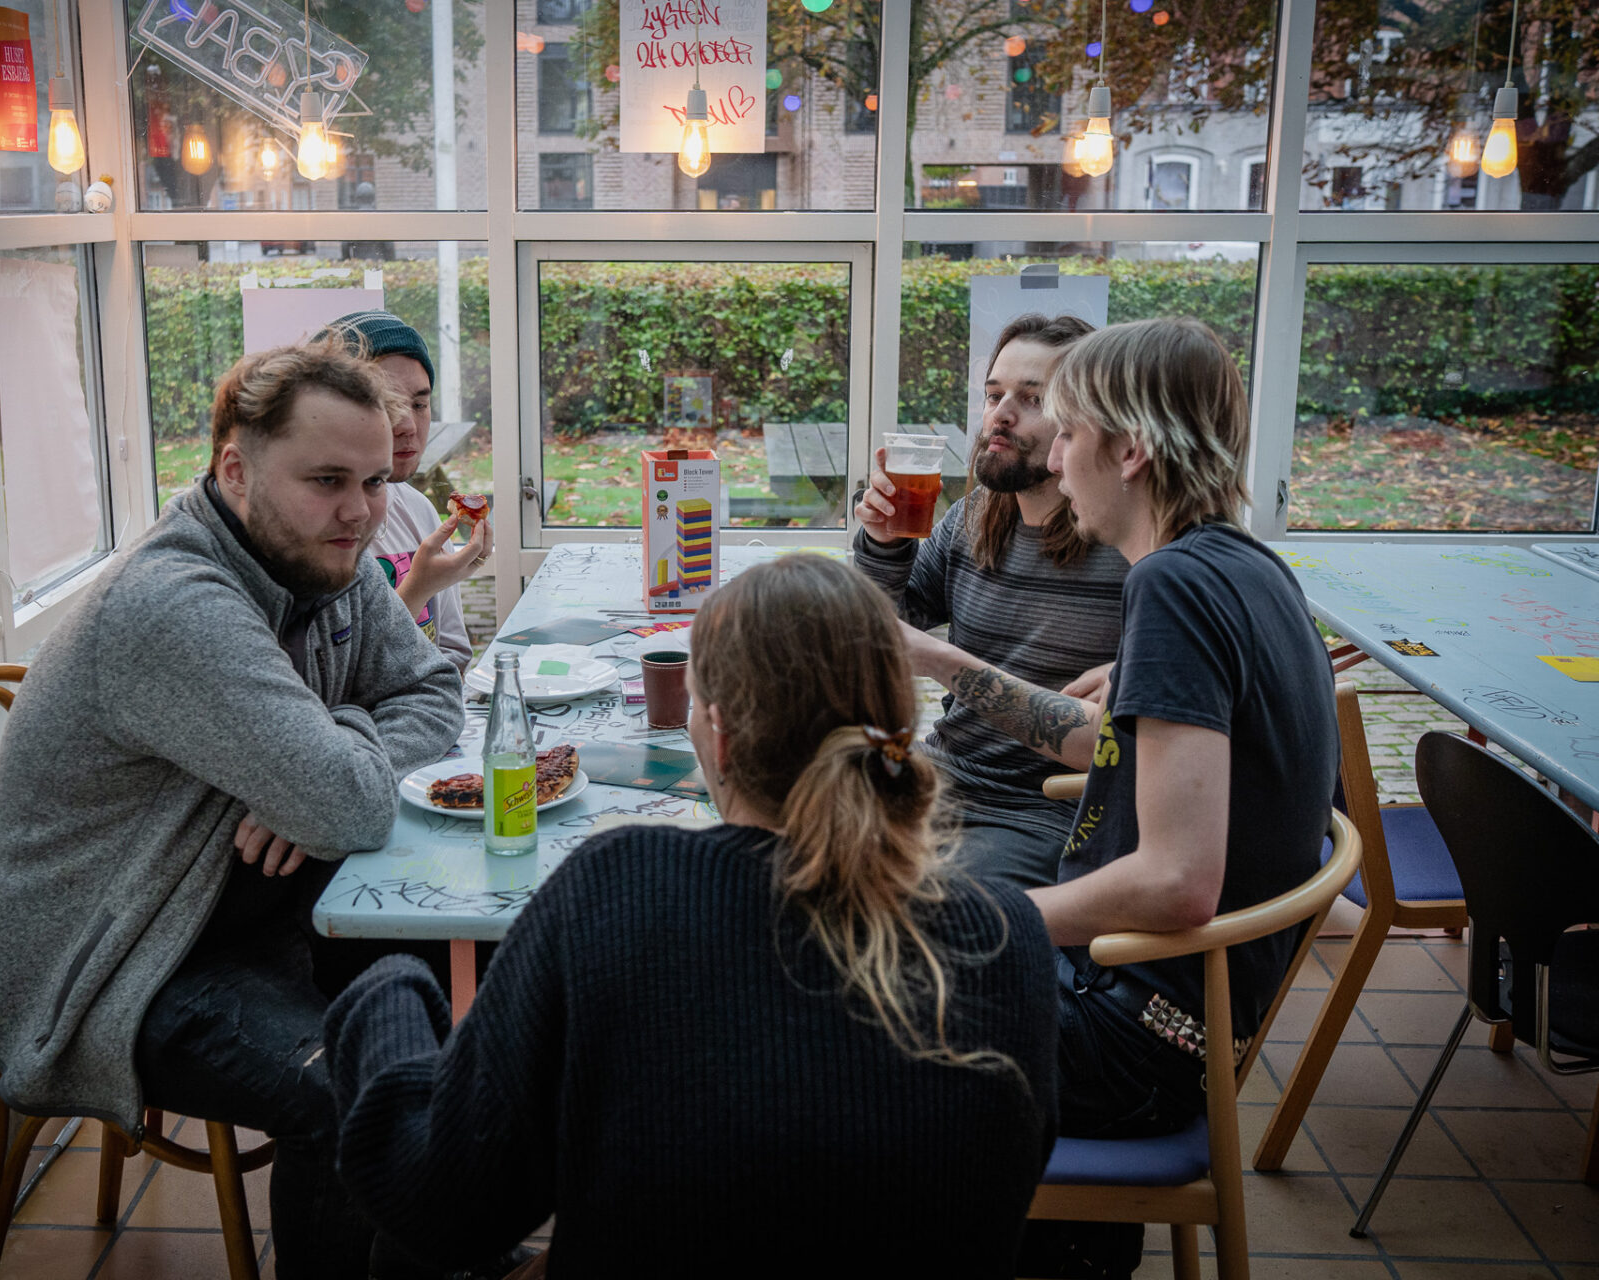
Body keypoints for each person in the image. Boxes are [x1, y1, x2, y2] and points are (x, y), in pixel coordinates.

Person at [319, 555, 1060, 1277]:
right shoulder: (1006, 933)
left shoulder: (621, 888)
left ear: (721, 737)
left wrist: (390, 987)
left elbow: (441, 1207)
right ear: (901, 724)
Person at [0, 338, 467, 1275]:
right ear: (235, 469)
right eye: (326, 480)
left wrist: (322, 756)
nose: (360, 513)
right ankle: (418, 1209)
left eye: (370, 480)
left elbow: (434, 694)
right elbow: (351, 807)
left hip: (241, 904)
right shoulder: (174, 604)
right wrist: (323, 773)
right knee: (362, 1087)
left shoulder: (327, 552)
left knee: (490, 969)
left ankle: (430, 1214)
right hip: (114, 962)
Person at [892, 317, 1337, 1275]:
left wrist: (988, 917)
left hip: (1136, 1032)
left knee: (834, 1011)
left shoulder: (1172, 587)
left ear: (1129, 450)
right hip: (1168, 1004)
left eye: (1069, 429)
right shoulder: (1241, 563)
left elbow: (1177, 883)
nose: (1051, 450)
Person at [854, 313, 1129, 888]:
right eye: (994, 394)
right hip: (940, 775)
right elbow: (883, 633)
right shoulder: (973, 515)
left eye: (1032, 399)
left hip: (1048, 810)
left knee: (923, 914)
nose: (1000, 415)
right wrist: (882, 544)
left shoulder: (1127, 544)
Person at [332, 309, 491, 672]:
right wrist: (418, 587)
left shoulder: (418, 509)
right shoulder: (315, 531)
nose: (407, 425)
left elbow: (453, 651)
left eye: (419, 404)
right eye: (386, 406)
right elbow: (342, 680)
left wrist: (448, 576)